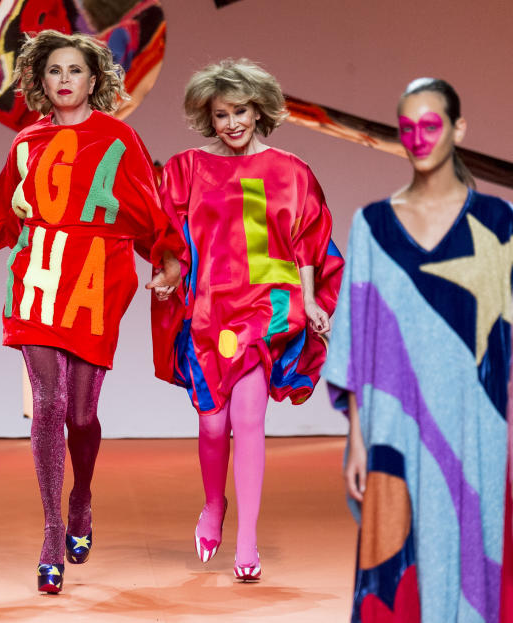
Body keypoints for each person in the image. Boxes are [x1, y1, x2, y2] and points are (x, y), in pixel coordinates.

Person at [0, 29, 184, 594]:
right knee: (48, 403)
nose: (64, 81)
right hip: (36, 279)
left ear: (93, 79)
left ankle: (81, 496)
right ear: (40, 79)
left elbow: (147, 211)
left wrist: (168, 263)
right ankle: (53, 531)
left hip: (98, 282)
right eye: (54, 71)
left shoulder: (118, 137)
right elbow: (0, 212)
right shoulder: (26, 142)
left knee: (80, 414)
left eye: (74, 71)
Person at [323, 78, 508, 622]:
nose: (418, 138)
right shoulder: (373, 225)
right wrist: (356, 438)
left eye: (431, 125)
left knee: (475, 554)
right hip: (392, 428)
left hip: (478, 423)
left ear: (458, 128)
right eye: (407, 128)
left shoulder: (499, 223)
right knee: (395, 562)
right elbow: (356, 339)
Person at [155, 59, 343, 581]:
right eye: (221, 114)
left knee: (250, 422)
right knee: (213, 422)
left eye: (240, 110)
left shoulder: (291, 171)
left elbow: (308, 242)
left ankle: (248, 541)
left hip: (266, 308)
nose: (232, 122)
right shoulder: (188, 168)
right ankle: (213, 505)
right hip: (210, 310)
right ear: (207, 118)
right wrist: (168, 273)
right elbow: (165, 232)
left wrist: (310, 301)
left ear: (259, 109)